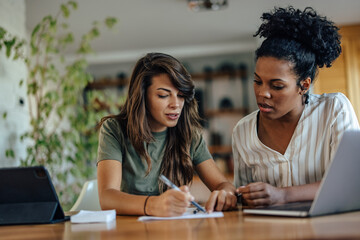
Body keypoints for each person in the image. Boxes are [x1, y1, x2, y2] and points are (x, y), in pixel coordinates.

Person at [232, 6, 359, 208]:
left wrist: (283, 195)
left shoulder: (334, 109)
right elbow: (244, 197)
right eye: (257, 81)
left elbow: (352, 181)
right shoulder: (243, 130)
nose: (262, 93)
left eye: (277, 86)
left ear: (304, 85)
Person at [97, 52, 237, 216]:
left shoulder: (190, 135)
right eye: (163, 95)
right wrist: (153, 205)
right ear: (142, 96)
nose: (176, 105)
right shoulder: (114, 129)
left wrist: (225, 194)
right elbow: (107, 198)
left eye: (181, 95)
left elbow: (222, 184)